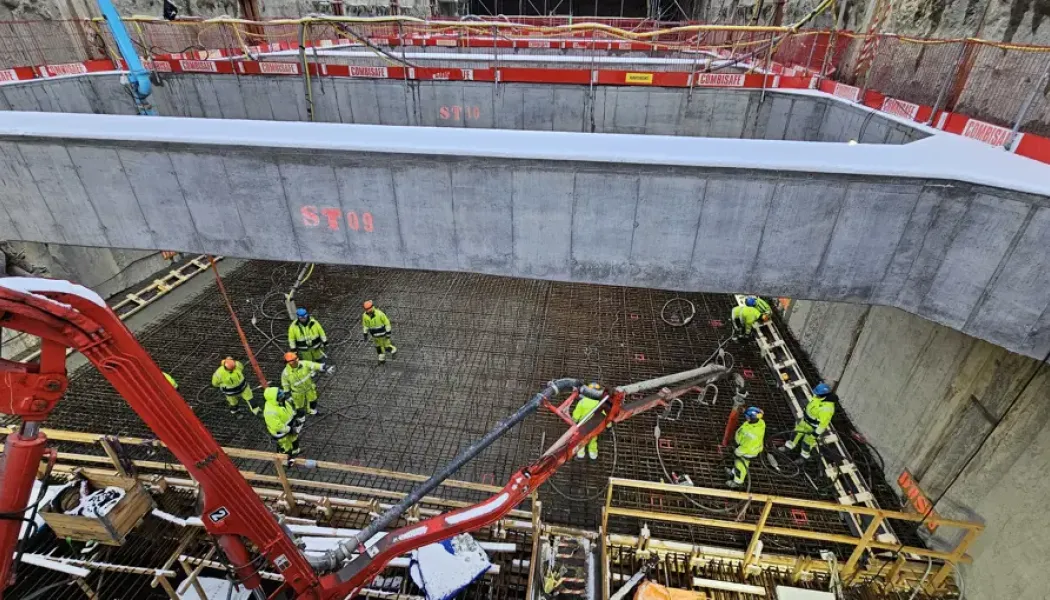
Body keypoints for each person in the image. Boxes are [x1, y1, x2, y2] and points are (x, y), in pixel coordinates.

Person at [781, 383, 837, 460]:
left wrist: (816, 433)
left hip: (813, 427)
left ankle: (803, 457)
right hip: (805, 422)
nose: (815, 395)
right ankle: (789, 447)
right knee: (795, 433)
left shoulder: (827, 408)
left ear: (824, 395)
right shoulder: (819, 397)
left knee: (806, 443)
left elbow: (823, 424)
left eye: (817, 394)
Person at [726, 407, 765, 488]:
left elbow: (747, 447)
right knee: (737, 461)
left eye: (747, 417)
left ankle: (737, 482)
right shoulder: (759, 422)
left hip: (747, 451)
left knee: (740, 465)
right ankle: (733, 472)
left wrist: (737, 452)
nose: (746, 418)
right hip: (747, 447)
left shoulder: (752, 433)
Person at [281, 351, 329, 416]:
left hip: (309, 388)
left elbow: (313, 365)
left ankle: (313, 411)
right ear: (288, 362)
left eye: (296, 358)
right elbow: (285, 384)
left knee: (313, 400)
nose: (296, 361)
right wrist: (287, 393)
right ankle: (301, 419)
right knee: (299, 407)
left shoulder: (304, 363)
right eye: (293, 360)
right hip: (297, 392)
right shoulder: (285, 373)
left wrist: (322, 367)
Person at [263, 387, 301, 459]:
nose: (282, 394)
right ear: (274, 398)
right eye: (279, 394)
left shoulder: (282, 402)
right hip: (280, 433)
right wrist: (289, 429)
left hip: (288, 427)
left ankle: (295, 452)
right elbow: (278, 427)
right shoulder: (270, 412)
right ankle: (286, 460)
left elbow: (290, 411)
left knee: (294, 439)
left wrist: (294, 420)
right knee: (286, 447)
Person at [571, 383, 605, 460]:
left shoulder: (583, 401)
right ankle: (593, 455)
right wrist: (608, 425)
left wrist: (574, 421)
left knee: (580, 439)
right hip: (594, 426)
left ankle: (581, 455)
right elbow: (604, 415)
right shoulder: (600, 403)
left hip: (583, 425)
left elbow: (576, 414)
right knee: (592, 439)